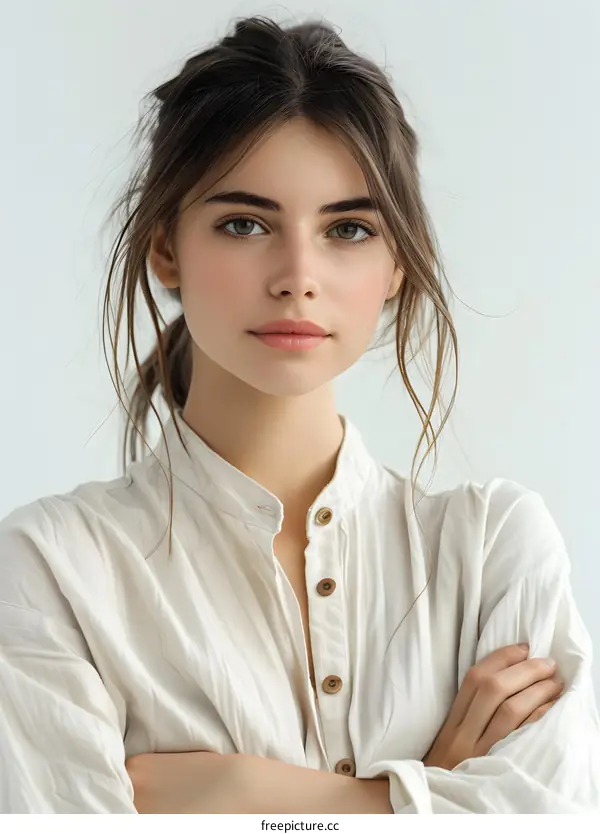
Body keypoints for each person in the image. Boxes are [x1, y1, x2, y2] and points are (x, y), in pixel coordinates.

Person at [1, 15, 599, 815]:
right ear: (166, 247)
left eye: (348, 229)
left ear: (396, 261)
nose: (298, 276)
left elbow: (559, 815)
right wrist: (433, 790)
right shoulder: (51, 571)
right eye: (245, 224)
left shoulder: (492, 547)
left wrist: (234, 792)